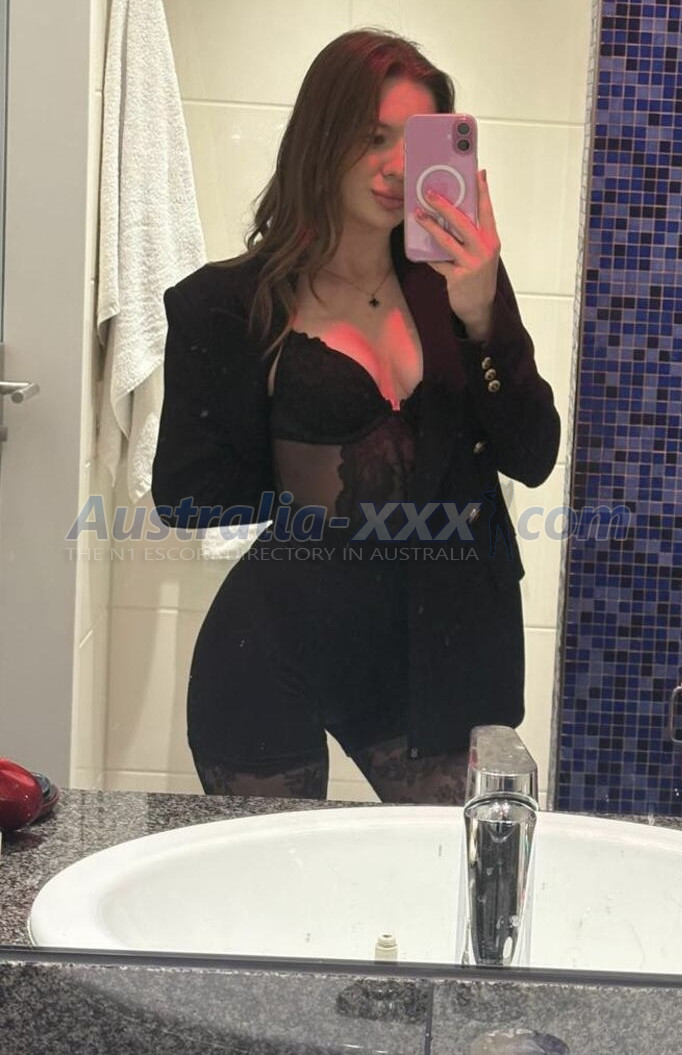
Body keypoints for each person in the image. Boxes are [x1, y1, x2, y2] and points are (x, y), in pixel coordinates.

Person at [152, 29, 560, 804]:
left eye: (416, 141)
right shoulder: (233, 304)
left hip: (435, 653)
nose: (398, 165)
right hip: (274, 644)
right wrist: (318, 481)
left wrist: (483, 321)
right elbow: (186, 495)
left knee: (461, 860)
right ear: (322, 135)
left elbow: (533, 453)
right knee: (280, 874)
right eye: (374, 137)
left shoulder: (459, 279)